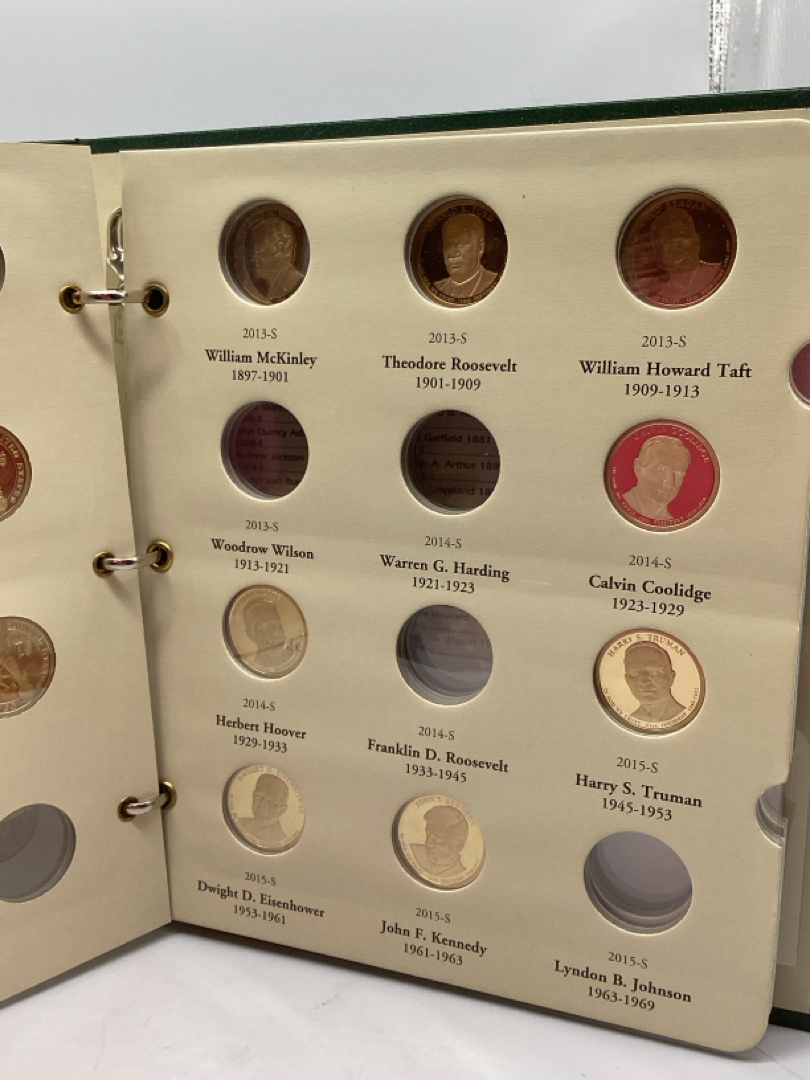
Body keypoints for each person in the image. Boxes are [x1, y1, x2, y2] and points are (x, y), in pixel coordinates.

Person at [646, 207, 719, 303]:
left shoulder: (715, 272)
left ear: (696, 241)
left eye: (681, 235)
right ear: (657, 253)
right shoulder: (659, 294)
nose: (675, 244)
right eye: (666, 240)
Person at [622, 435, 691, 520]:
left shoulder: (671, 522)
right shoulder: (625, 503)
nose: (670, 482)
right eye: (662, 470)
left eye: (679, 474)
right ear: (638, 468)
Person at [434, 214, 497, 300]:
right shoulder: (439, 287)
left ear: (480, 247)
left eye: (461, 246)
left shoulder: (495, 283)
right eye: (448, 247)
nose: (453, 255)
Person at [623, 641, 685, 724]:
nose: (644, 681)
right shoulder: (630, 720)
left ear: (671, 677)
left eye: (653, 672)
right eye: (634, 673)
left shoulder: (682, 714)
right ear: (627, 681)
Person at [245, 216, 304, 301]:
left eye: (259, 251)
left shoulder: (295, 283)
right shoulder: (273, 285)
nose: (253, 259)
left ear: (279, 249)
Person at [410, 804, 468, 879]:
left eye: (437, 841)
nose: (427, 844)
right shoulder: (413, 851)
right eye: (427, 835)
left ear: (458, 846)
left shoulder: (459, 873)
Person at [242, 596, 301, 669]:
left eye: (277, 624)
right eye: (264, 627)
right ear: (250, 635)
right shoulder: (254, 666)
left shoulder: (296, 653)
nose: (275, 632)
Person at [236, 772, 289, 848]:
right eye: (258, 796)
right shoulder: (239, 821)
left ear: (282, 810)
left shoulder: (278, 839)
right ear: (253, 795)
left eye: (271, 802)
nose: (262, 804)